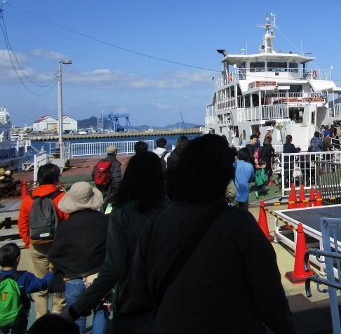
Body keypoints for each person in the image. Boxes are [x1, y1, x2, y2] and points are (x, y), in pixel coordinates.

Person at [129, 134, 296, 334]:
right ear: (224, 177)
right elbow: (270, 297)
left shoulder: (156, 225)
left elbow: (139, 293)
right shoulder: (240, 224)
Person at [59, 152, 169, 333]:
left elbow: (113, 269)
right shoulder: (170, 211)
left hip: (131, 303)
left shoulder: (122, 214)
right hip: (167, 303)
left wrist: (74, 310)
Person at [48, 182, 109, 334]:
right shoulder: (105, 221)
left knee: (76, 317)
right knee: (101, 311)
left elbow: (55, 254)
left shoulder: (65, 226)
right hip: (99, 278)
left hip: (73, 279)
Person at [17, 163, 68, 318]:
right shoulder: (61, 197)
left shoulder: (29, 199)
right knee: (59, 276)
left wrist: (28, 242)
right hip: (58, 245)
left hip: (36, 245)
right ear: (55, 178)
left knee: (39, 280)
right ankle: (58, 310)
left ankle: (41, 315)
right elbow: (68, 222)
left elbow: (22, 224)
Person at [0, 243, 53, 334]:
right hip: (19, 317)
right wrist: (51, 272)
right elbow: (42, 284)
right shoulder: (25, 277)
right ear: (18, 259)